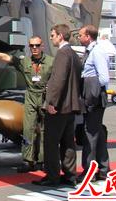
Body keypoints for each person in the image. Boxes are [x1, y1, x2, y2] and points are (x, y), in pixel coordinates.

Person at [0, 36, 54, 172]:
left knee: (44, 131)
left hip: (45, 97)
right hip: (31, 97)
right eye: (32, 46)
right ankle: (28, 161)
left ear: (42, 46)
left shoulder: (51, 62)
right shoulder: (25, 61)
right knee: (28, 130)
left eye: (37, 45)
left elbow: (59, 78)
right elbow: (6, 58)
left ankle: (42, 160)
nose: (34, 48)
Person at [33, 24, 82, 186]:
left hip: (59, 106)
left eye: (53, 35)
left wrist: (52, 102)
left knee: (51, 141)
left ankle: (52, 175)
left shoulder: (62, 54)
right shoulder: (73, 54)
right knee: (68, 142)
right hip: (70, 106)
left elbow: (59, 80)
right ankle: (70, 175)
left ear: (60, 36)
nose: (51, 38)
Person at [78, 24, 110, 180]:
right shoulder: (90, 51)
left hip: (94, 97)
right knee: (97, 133)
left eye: (80, 35)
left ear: (88, 36)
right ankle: (103, 169)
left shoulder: (97, 52)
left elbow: (104, 78)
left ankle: (89, 171)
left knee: (90, 133)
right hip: (92, 96)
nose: (79, 38)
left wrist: (92, 92)